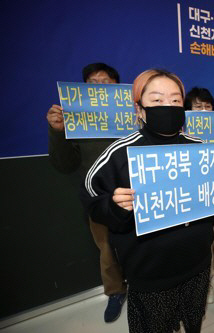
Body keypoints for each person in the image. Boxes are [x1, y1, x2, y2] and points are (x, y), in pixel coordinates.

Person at [82, 69, 214, 333]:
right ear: (139, 109)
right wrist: (113, 206)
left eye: (175, 100)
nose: (168, 107)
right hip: (151, 271)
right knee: (155, 326)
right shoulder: (119, 153)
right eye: (157, 100)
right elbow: (92, 200)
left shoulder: (201, 148)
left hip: (196, 262)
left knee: (193, 319)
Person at [46, 62, 127, 323]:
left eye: (106, 82)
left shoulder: (132, 115)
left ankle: (142, 288)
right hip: (99, 198)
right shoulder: (77, 120)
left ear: (118, 88)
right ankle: (115, 292)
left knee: (143, 244)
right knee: (106, 248)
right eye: (93, 83)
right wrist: (57, 132)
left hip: (137, 193)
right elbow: (64, 164)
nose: (100, 87)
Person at [184, 87, 214, 304]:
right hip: (193, 196)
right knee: (198, 241)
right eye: (197, 106)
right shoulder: (180, 134)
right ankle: (201, 281)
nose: (203, 110)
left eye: (207, 106)